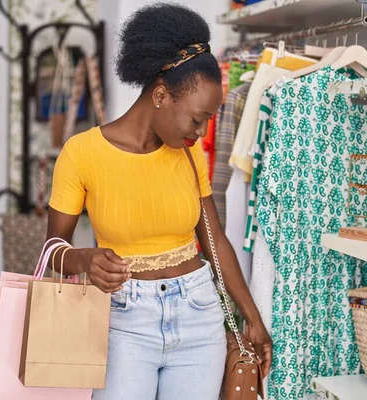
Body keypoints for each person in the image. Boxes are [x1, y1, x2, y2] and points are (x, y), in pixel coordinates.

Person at [45, 3, 272, 399]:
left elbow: (215, 240)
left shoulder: (187, 154)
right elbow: (52, 251)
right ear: (162, 95)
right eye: (197, 119)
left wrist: (251, 318)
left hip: (200, 316)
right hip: (123, 321)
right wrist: (85, 260)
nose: (202, 133)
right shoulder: (81, 153)